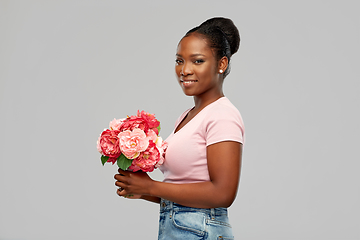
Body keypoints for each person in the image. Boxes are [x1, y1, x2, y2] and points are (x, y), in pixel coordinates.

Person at [114, 17, 245, 239]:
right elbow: (184, 190)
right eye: (179, 61)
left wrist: (151, 187)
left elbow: (222, 193)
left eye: (197, 61)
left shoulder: (223, 115)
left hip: (201, 231)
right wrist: (140, 189)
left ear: (221, 64)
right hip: (180, 227)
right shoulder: (187, 117)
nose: (184, 70)